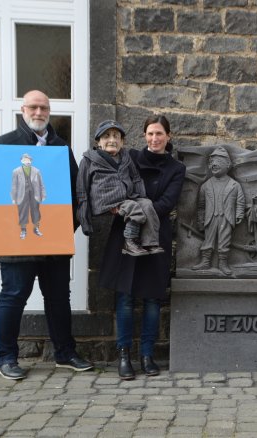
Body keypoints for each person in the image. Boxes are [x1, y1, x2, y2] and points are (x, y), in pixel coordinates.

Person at [0, 90, 93, 380]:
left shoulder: (60, 148)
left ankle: (65, 354)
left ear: (49, 111)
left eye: (44, 108)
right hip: (17, 241)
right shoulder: (3, 146)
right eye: (33, 107)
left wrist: (66, 227)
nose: (38, 112)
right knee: (14, 295)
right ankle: (5, 358)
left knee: (58, 298)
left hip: (53, 241)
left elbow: (76, 192)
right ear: (23, 110)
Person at [97, 116, 186, 380]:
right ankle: (124, 355)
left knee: (152, 300)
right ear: (143, 135)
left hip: (155, 238)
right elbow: (113, 185)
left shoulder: (176, 168)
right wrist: (121, 206)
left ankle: (147, 355)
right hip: (125, 234)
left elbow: (166, 203)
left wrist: (135, 208)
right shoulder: (131, 157)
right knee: (124, 297)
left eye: (159, 134)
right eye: (149, 133)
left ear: (168, 136)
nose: (154, 139)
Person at [76, 120, 163, 257]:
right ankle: (130, 242)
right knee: (133, 207)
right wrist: (85, 221)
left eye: (116, 136)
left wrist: (141, 196)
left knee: (147, 204)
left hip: (125, 198)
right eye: (106, 136)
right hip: (104, 203)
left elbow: (135, 177)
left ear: (122, 142)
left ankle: (150, 242)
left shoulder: (125, 157)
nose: (112, 140)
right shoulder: (88, 160)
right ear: (98, 142)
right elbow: (82, 190)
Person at [191, 147, 245, 276]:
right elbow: (201, 206)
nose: (214, 164)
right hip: (211, 218)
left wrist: (239, 214)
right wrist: (201, 220)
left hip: (226, 218)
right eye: (212, 162)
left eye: (218, 161)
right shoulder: (206, 186)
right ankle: (205, 261)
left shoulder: (235, 185)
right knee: (208, 241)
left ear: (227, 164)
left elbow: (240, 202)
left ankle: (223, 263)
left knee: (224, 241)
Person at [11, 153, 46, 239]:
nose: (27, 161)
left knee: (36, 211)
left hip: (35, 193)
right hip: (21, 194)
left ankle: (36, 228)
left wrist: (43, 194)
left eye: (29, 160)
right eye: (25, 160)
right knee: (22, 211)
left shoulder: (36, 171)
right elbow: (14, 185)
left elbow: (41, 184)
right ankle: (23, 230)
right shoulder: (16, 171)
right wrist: (13, 197)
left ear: (31, 161)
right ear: (21, 161)